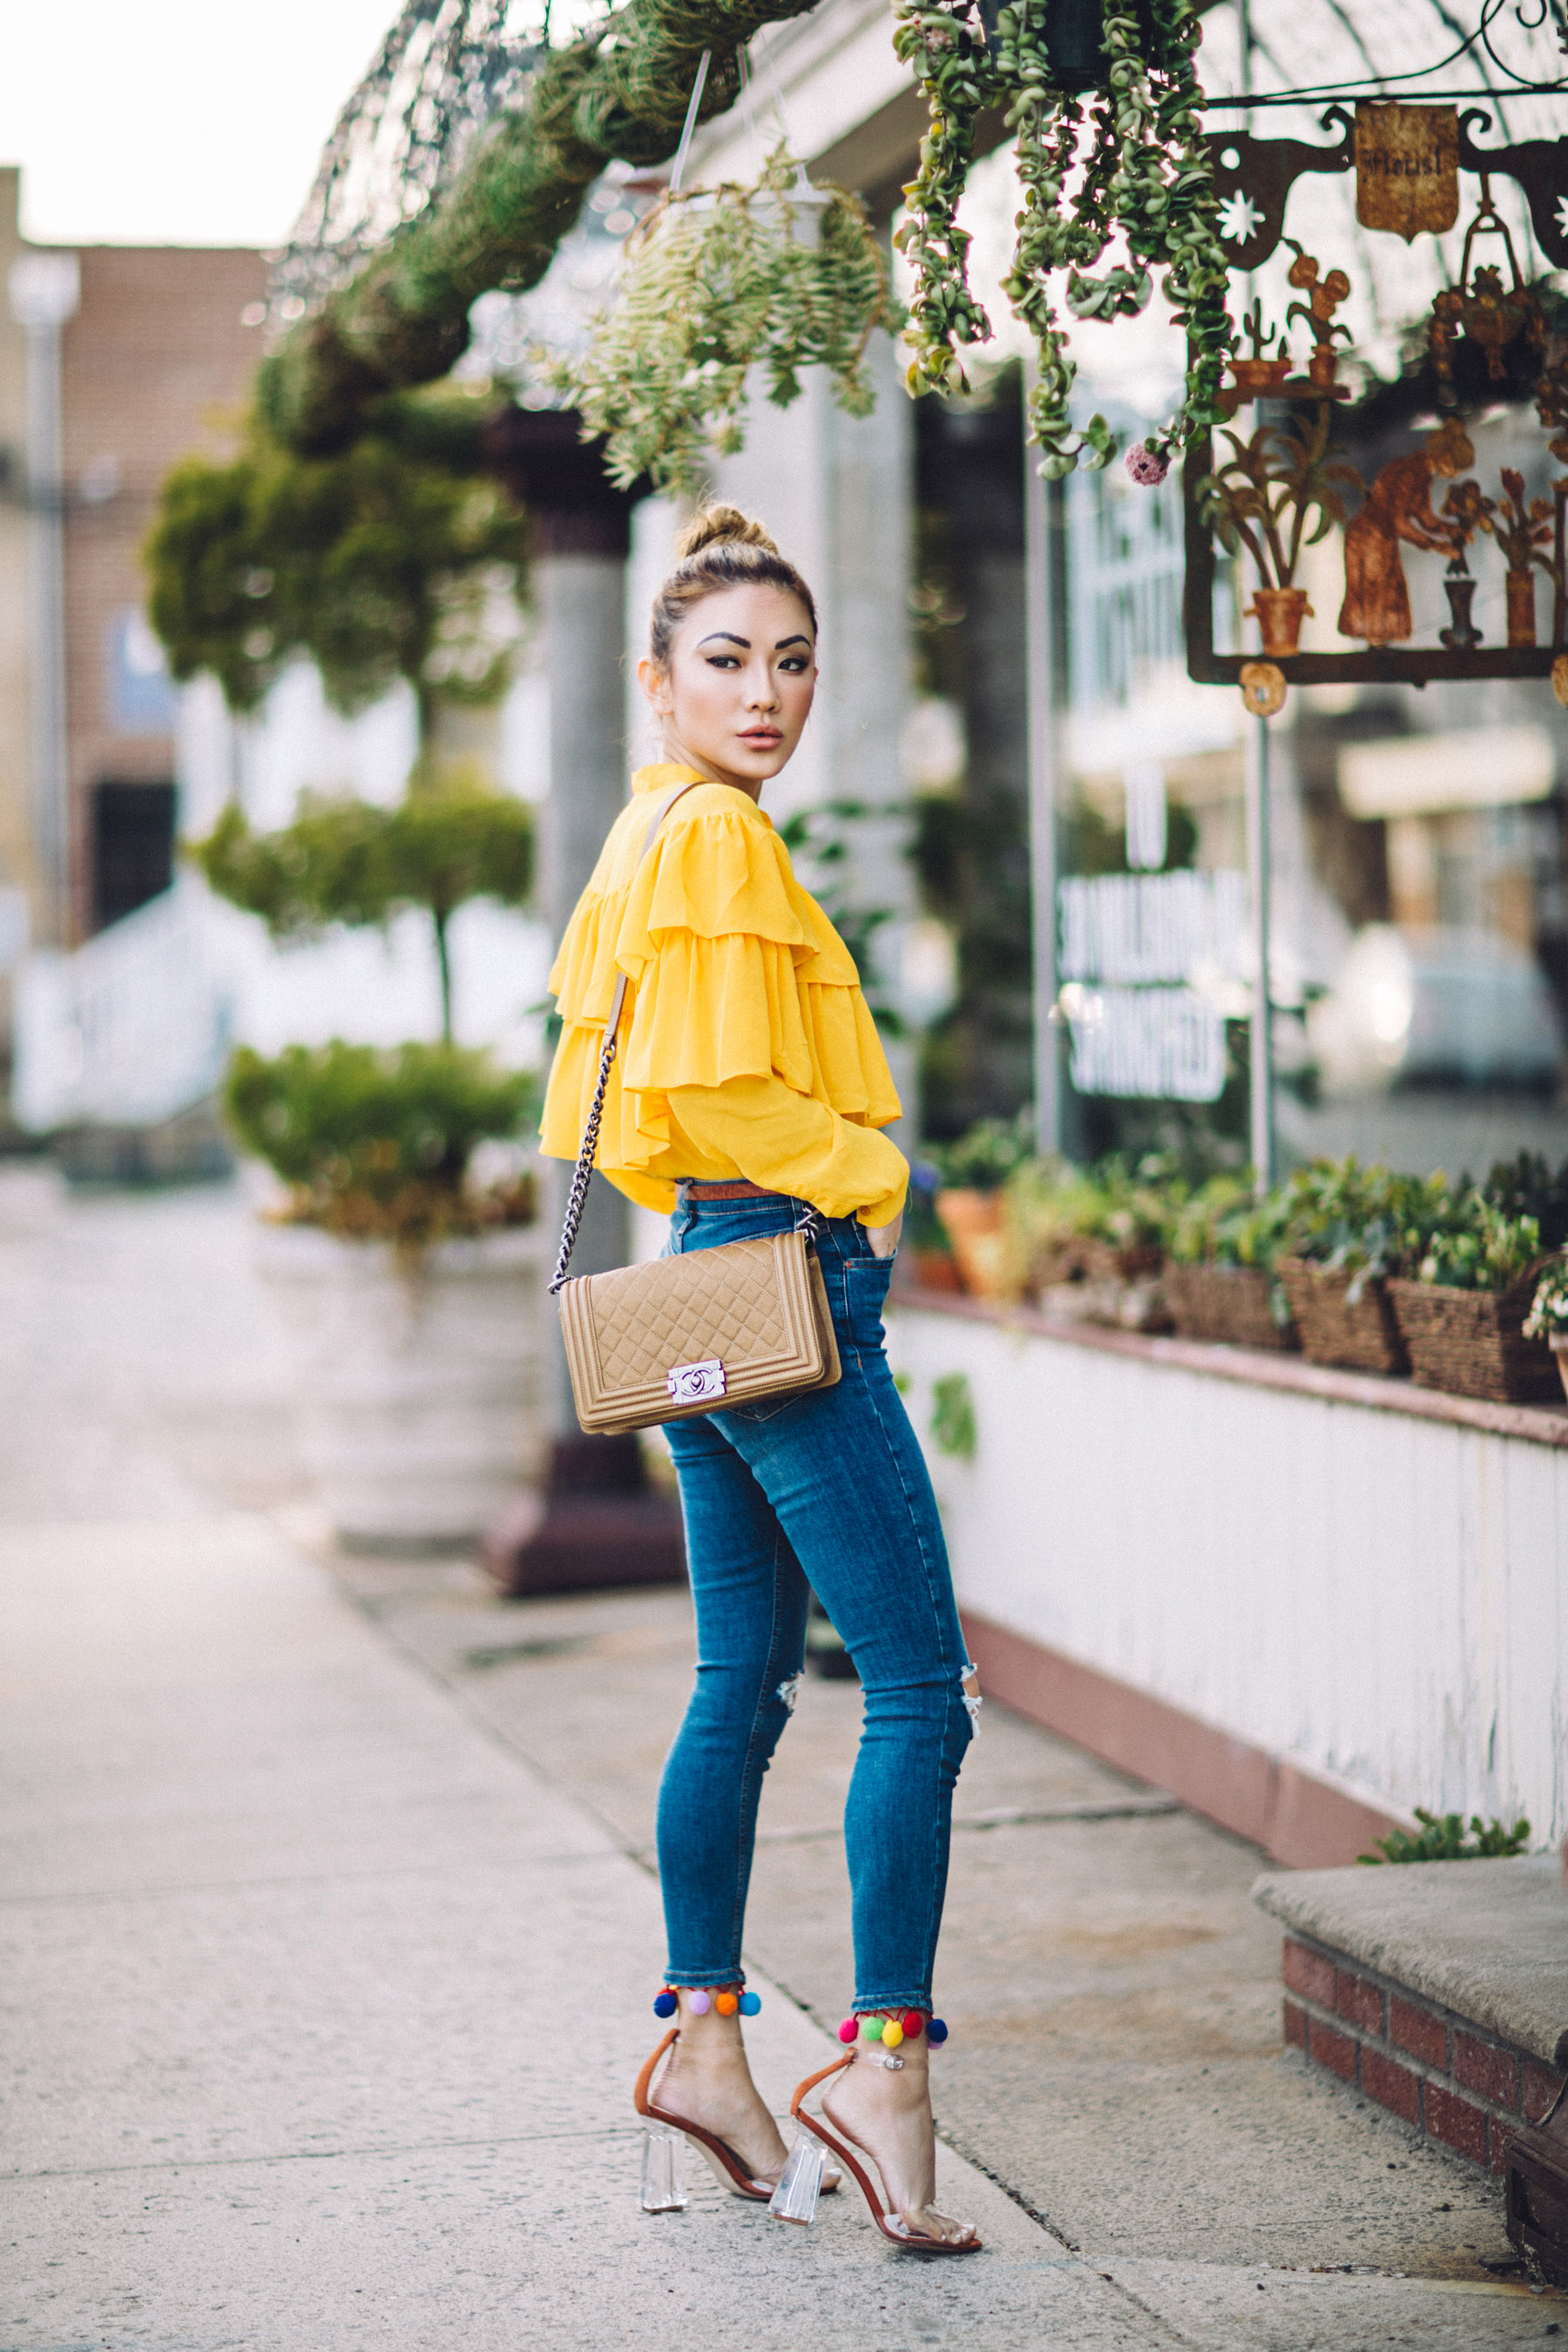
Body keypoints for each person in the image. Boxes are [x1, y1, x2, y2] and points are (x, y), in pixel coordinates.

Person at [539, 505, 981, 2254]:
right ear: (658, 684)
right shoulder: (716, 838)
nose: (767, 691)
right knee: (921, 1687)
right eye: (727, 660)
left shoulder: (652, 834)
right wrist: (873, 1172)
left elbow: (629, 1121)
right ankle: (883, 2076)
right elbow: (722, 1109)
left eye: (794, 660)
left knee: (741, 1680)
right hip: (788, 1276)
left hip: (700, 1286)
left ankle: (704, 2039)